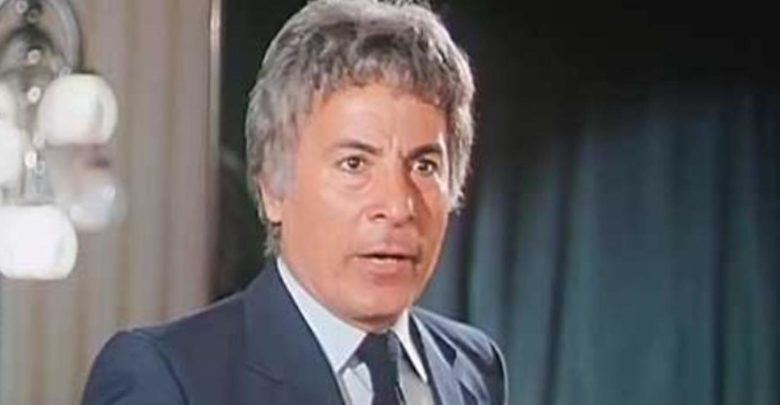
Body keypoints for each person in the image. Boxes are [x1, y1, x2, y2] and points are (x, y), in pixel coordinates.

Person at [81, 0, 507, 404]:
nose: (398, 207)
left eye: (425, 166)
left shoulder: (473, 367)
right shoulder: (167, 378)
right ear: (272, 189)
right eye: (355, 164)